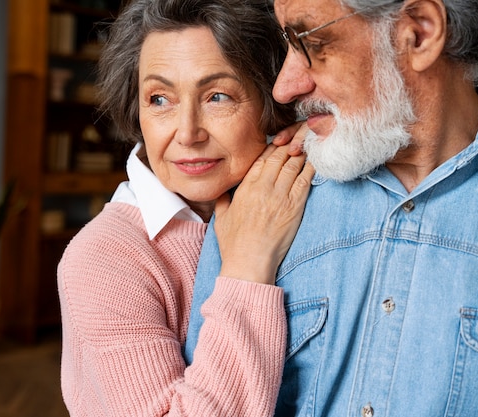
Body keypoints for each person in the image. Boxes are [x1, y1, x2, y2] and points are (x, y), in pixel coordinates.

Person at [185, 0, 478, 415]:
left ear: (419, 33)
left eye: (310, 42)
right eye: (286, 42)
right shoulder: (260, 202)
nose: (285, 87)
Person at [57, 0, 314, 415]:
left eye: (217, 96)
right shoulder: (102, 259)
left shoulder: (297, 194)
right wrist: (247, 264)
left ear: (272, 103)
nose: (188, 132)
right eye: (159, 99)